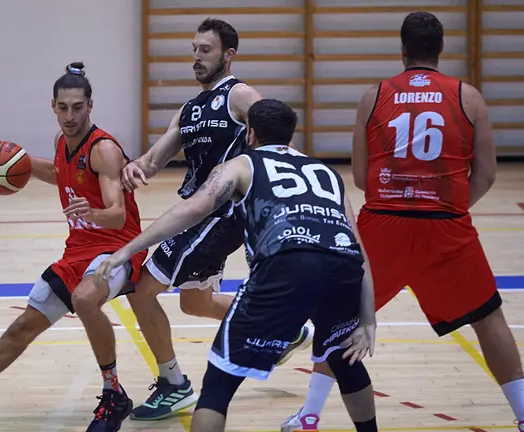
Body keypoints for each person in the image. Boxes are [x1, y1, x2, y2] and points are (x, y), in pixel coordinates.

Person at [281, 11, 524, 432]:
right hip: (445, 227)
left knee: (339, 314)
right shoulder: (468, 97)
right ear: (441, 49)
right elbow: (485, 174)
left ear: (402, 50)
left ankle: (309, 415)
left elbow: (360, 177)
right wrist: (448, 206)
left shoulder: (374, 95)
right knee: (489, 318)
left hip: (382, 224)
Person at [95, 98, 379, 432]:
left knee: (217, 386)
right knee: (345, 362)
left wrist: (128, 249)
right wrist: (368, 320)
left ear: (250, 133)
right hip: (341, 269)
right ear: (291, 135)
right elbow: (357, 248)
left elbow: (192, 210)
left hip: (285, 263)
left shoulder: (241, 163)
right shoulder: (328, 174)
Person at [0, 62, 148, 431]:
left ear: (90, 106)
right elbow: (59, 172)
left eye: (77, 107)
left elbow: (115, 215)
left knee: (83, 299)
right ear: (53, 107)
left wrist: (93, 212)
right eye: (62, 108)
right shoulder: (61, 143)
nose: (69, 115)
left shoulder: (104, 150)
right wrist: (13, 162)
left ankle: (114, 394)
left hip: (118, 249)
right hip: (78, 250)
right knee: (21, 327)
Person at [119, 17, 313, 421]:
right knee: (195, 302)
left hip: (219, 216)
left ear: (229, 55)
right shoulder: (190, 109)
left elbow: (278, 142)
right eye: (194, 49)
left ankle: (174, 385)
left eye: (205, 50)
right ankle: (285, 327)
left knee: (140, 290)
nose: (196, 57)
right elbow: (154, 160)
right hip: (199, 214)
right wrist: (134, 168)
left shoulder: (238, 94)